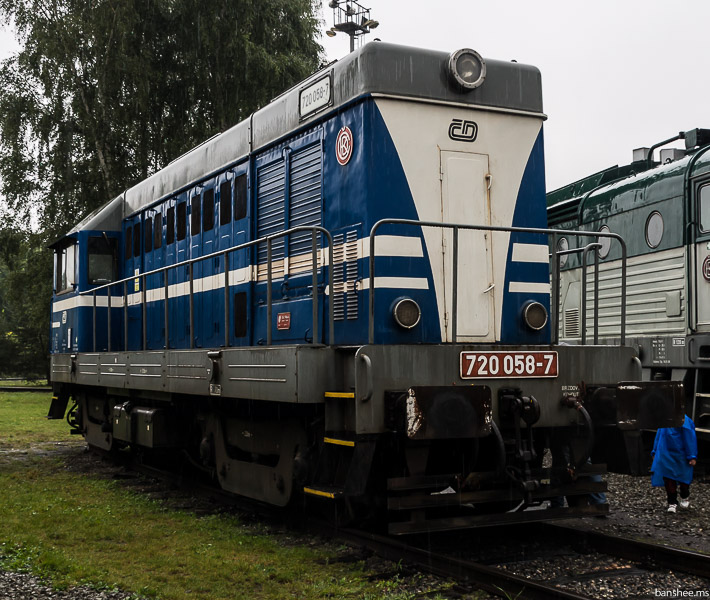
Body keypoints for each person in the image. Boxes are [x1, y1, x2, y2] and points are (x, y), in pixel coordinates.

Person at [650, 415, 698, 513]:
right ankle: (672, 502)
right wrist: (655, 451)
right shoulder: (664, 419)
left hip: (681, 455)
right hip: (666, 453)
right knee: (668, 478)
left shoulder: (684, 421)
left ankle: (684, 496)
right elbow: (659, 435)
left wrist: (691, 455)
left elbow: (690, 438)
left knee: (684, 480)